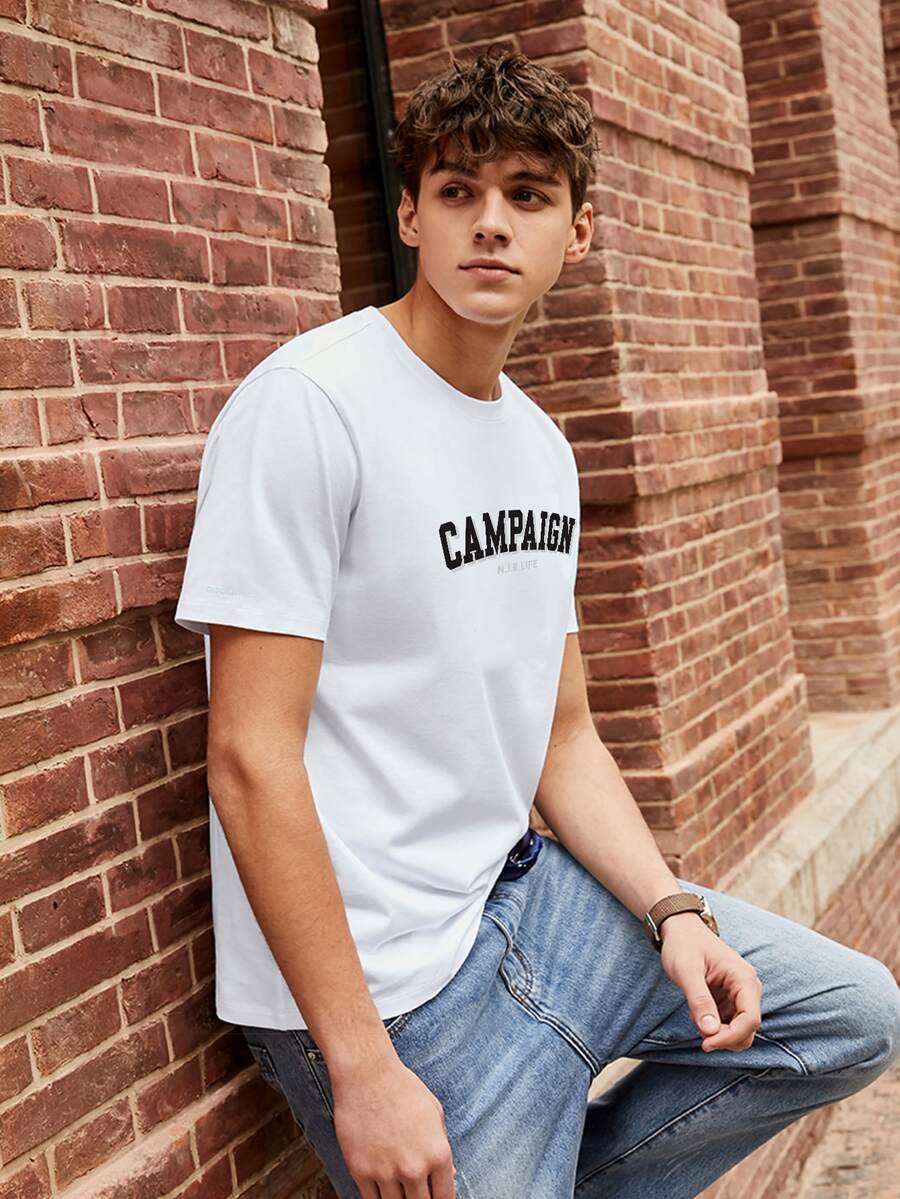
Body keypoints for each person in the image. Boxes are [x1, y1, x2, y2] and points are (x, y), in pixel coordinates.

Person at [173, 47, 900, 1199]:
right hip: (392, 986)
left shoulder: (540, 449)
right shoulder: (311, 406)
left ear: (580, 230)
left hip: (528, 898)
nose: (491, 222)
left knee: (851, 1015)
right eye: (458, 190)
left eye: (528, 194)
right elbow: (250, 757)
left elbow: (562, 735)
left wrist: (672, 909)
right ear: (409, 214)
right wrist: (362, 1066)